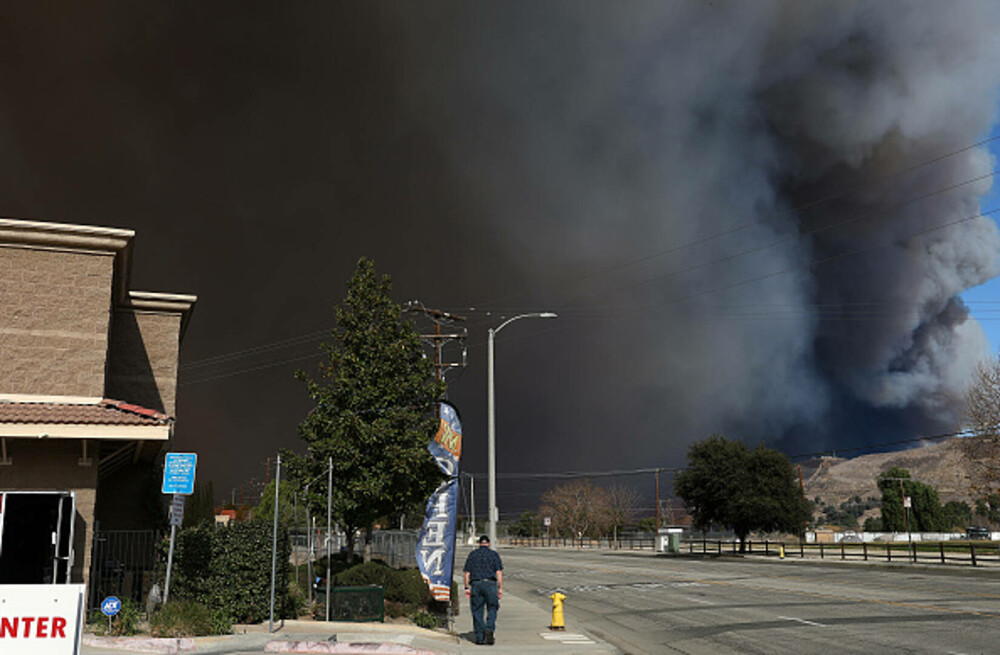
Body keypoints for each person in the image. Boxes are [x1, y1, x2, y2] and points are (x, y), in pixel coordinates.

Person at [463, 534, 503, 645]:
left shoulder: (473, 555)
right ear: (489, 544)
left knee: (477, 611)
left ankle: (480, 637)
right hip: (490, 584)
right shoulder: (494, 555)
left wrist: (466, 587)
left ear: (479, 544)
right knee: (492, 608)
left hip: (476, 584)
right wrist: (500, 588)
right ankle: (489, 629)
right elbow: (499, 573)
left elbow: (467, 573)